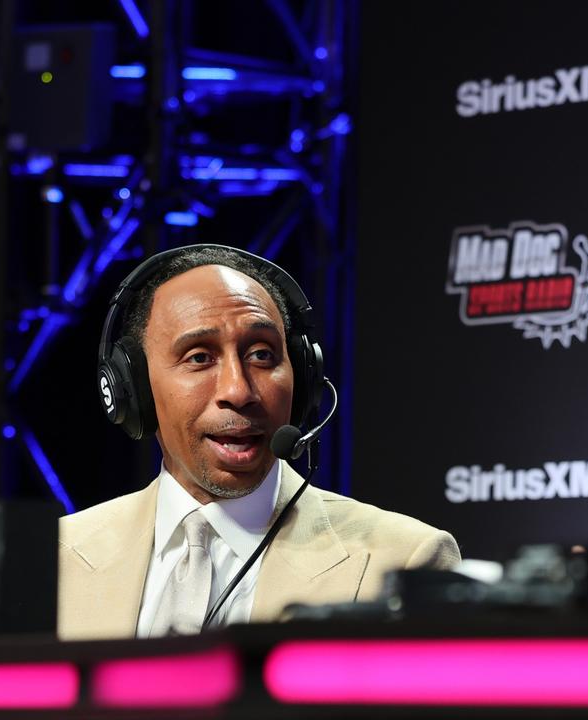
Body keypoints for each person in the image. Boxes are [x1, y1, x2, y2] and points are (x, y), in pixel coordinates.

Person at [59, 245, 460, 640]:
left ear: (301, 378)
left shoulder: (408, 562)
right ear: (134, 389)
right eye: (199, 357)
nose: (238, 390)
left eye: (262, 354)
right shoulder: (54, 560)